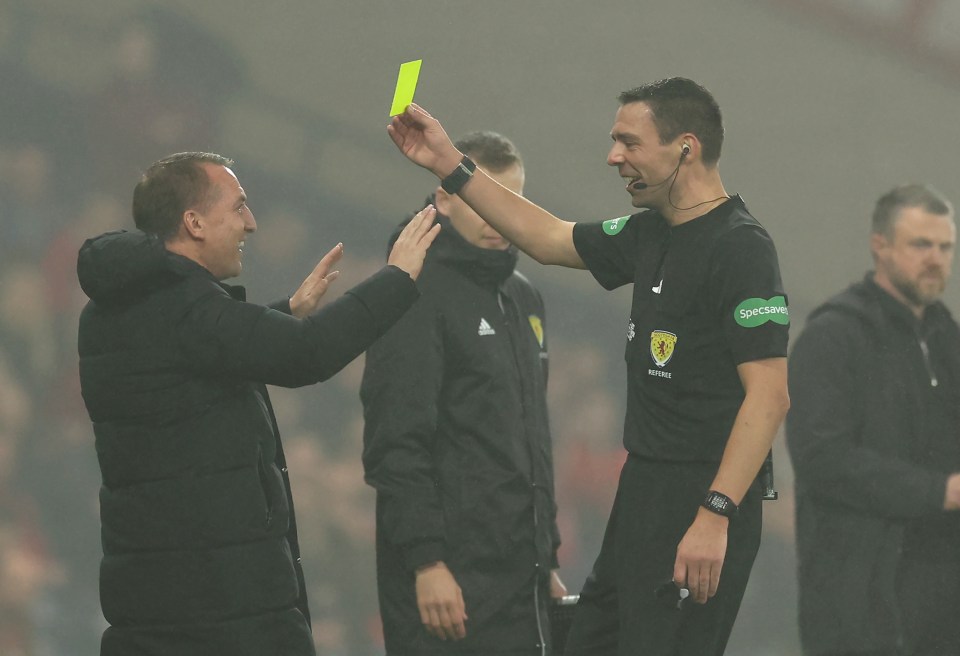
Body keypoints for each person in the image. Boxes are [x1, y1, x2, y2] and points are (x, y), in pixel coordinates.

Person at [386, 77, 790, 656]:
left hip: (701, 498)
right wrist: (449, 163)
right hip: (642, 492)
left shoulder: (741, 247)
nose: (613, 157)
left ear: (686, 146)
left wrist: (715, 514)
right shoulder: (652, 232)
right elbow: (548, 236)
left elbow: (769, 397)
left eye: (629, 142)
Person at [76, 152, 440, 656]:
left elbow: (195, 362)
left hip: (158, 592)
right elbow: (306, 354)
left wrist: (284, 314)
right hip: (218, 602)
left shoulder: (122, 305)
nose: (252, 222)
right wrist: (398, 277)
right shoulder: (185, 304)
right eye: (240, 206)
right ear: (194, 222)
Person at [360, 131, 566, 655]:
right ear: (445, 197)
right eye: (481, 197)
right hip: (449, 580)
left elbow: (532, 439)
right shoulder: (411, 288)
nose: (497, 213)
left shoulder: (524, 296)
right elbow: (396, 437)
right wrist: (427, 562)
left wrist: (548, 557)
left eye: (510, 200)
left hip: (521, 579)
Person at [786, 183, 960, 656]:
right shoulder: (833, 338)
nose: (936, 258)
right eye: (921, 244)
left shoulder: (948, 339)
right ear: (879, 245)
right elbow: (822, 460)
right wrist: (939, 491)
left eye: (945, 247)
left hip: (941, 603)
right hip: (858, 602)